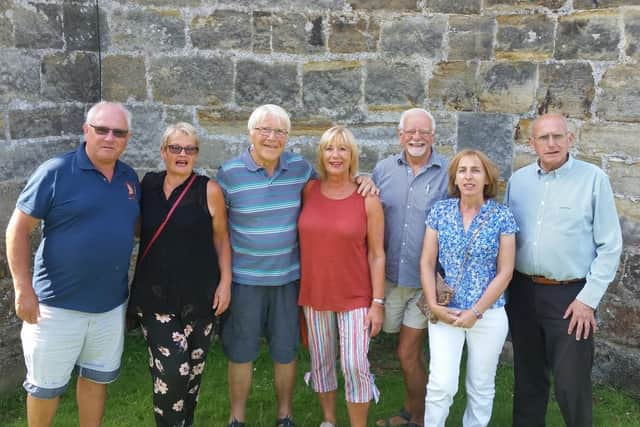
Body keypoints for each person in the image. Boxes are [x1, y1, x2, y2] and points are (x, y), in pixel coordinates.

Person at [216, 104, 376, 427]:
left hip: (289, 280)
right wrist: (224, 278)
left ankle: (285, 415)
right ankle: (237, 418)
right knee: (241, 352)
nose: (271, 138)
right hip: (245, 280)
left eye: (279, 132)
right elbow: (219, 231)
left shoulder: (300, 171)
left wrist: (363, 179)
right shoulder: (228, 173)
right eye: (264, 130)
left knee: (285, 351)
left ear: (287, 137)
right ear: (251, 132)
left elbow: (335, 184)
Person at [5, 101, 140, 427]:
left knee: (95, 381)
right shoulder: (56, 172)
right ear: (86, 131)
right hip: (55, 308)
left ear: (127, 137)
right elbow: (17, 229)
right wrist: (23, 289)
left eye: (118, 132)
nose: (109, 137)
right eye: (101, 129)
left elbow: (131, 227)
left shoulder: (129, 177)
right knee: (45, 389)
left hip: (109, 308)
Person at [505, 113, 623, 427]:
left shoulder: (593, 179)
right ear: (532, 144)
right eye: (543, 137)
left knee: (572, 384)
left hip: (571, 298)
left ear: (570, 139)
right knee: (528, 379)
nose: (552, 143)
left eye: (558, 136)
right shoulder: (518, 182)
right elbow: (504, 237)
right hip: (522, 292)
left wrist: (588, 300)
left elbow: (610, 245)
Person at [128, 123, 232, 427]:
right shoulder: (147, 185)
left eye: (190, 149)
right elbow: (137, 228)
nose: (182, 154)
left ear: (197, 154)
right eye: (175, 148)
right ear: (163, 151)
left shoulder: (208, 190)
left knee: (192, 376)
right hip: (155, 295)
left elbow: (222, 239)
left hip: (200, 297)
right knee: (172, 371)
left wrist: (225, 283)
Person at [420, 149, 517, 427]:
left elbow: (505, 270)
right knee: (441, 384)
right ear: (455, 178)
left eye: (475, 170)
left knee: (481, 386)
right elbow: (427, 262)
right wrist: (434, 305)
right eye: (462, 170)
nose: (468, 176)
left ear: (487, 178)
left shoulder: (502, 216)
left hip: (487, 314)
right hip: (445, 310)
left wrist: (476, 310)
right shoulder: (441, 210)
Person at [298, 126, 385, 427]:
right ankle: (329, 420)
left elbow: (377, 254)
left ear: (352, 155)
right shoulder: (308, 190)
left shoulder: (367, 197)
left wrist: (377, 302)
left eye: (342, 149)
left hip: (356, 295)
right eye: (329, 149)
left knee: (354, 363)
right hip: (315, 292)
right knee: (321, 361)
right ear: (321, 155)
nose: (335, 155)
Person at [373, 108, 449, 427]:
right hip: (387, 279)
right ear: (399, 135)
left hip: (425, 282)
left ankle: (417, 417)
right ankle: (412, 410)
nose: (417, 137)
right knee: (403, 353)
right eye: (410, 132)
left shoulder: (450, 171)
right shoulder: (383, 169)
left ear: (434, 135)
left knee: (407, 353)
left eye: (424, 132)